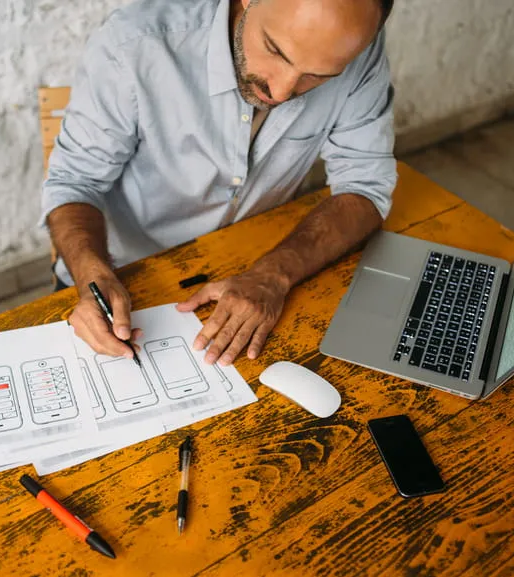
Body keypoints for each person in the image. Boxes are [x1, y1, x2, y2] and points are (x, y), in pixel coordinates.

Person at [41, 0, 397, 366]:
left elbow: (365, 187)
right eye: (275, 50)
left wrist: (273, 274)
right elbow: (74, 182)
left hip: (253, 269)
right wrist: (91, 277)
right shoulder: (134, 44)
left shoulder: (352, 44)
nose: (282, 91)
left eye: (319, 76)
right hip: (120, 283)